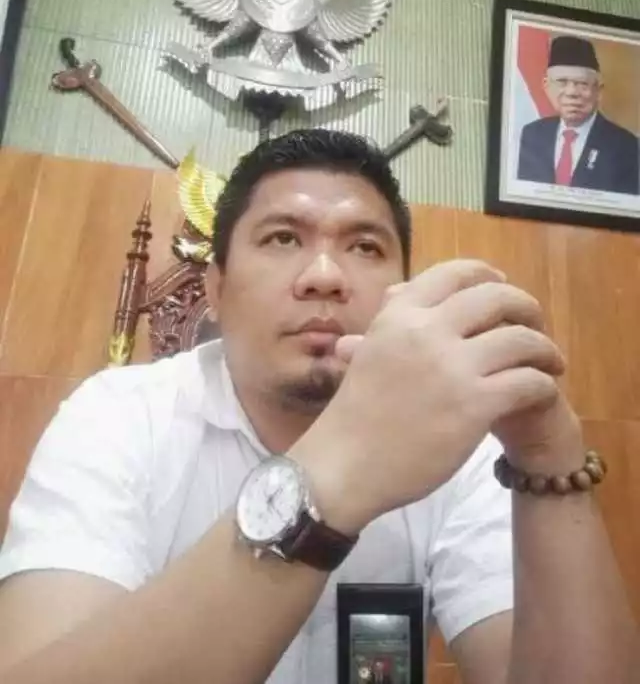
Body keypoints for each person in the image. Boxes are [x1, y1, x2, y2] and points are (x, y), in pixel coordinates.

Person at [0, 129, 636, 684]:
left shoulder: (463, 452)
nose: (326, 275)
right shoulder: (118, 416)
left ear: (401, 294)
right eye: (282, 238)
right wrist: (337, 472)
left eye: (365, 247)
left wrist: (548, 453)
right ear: (216, 288)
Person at [517, 35, 640, 194]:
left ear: (598, 90)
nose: (572, 92)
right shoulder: (531, 135)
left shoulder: (625, 146)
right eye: (562, 82)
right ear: (546, 86)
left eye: (582, 84)